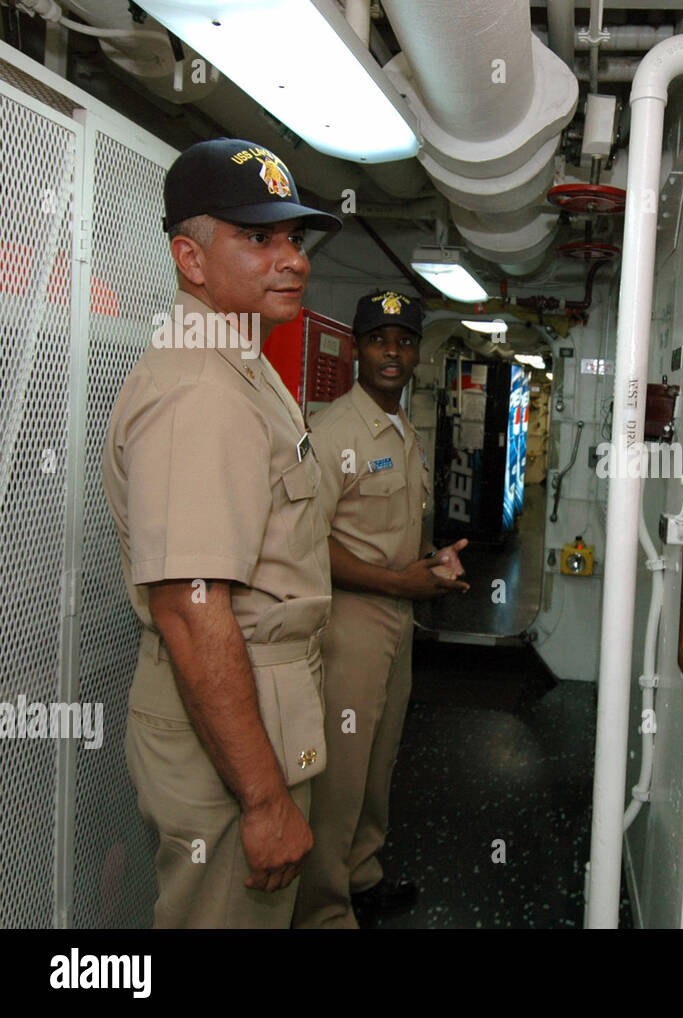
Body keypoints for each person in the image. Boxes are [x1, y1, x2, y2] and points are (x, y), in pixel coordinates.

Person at [102, 138, 342, 928]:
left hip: (260, 703)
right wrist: (266, 801)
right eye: (258, 238)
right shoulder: (201, 391)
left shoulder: (241, 363)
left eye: (294, 240)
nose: (292, 261)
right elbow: (188, 607)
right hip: (229, 731)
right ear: (191, 259)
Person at [292, 289, 470, 929]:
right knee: (337, 777)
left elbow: (393, 530)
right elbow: (309, 545)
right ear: (358, 350)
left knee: (378, 758)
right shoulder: (334, 430)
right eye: (377, 339)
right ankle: (322, 911)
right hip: (349, 627)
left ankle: (361, 876)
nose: (391, 352)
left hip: (397, 620)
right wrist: (400, 585)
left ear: (415, 351)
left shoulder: (401, 427)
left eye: (402, 340)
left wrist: (434, 562)